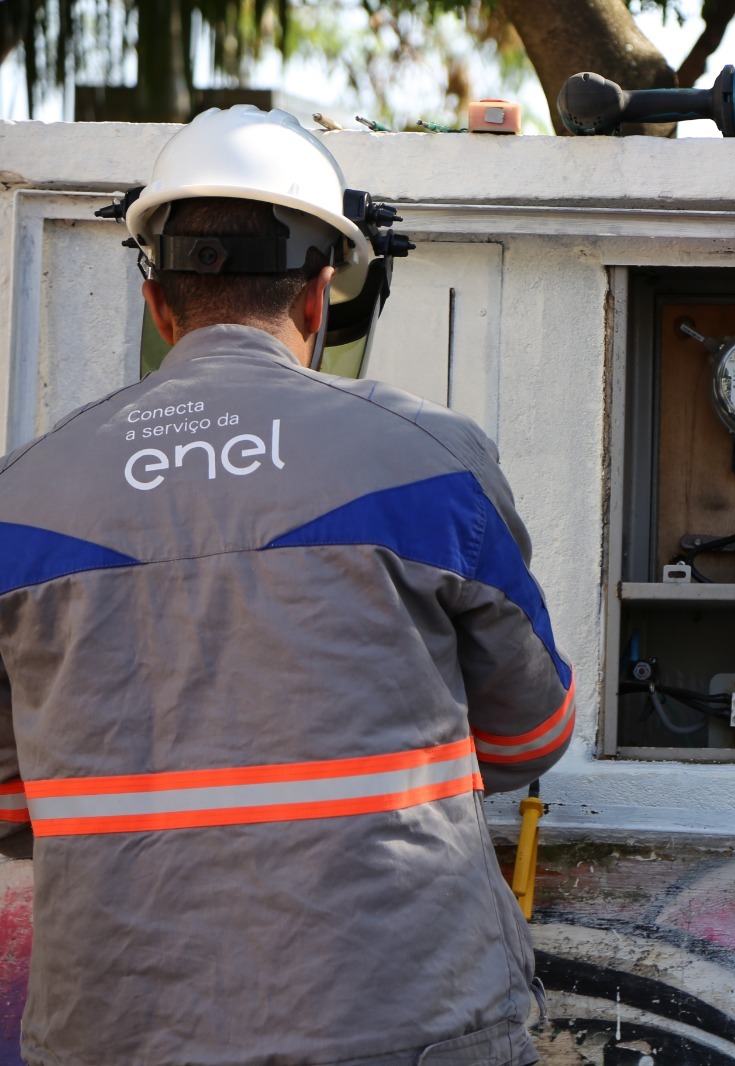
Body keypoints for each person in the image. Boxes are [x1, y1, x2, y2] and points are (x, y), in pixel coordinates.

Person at [0, 106, 573, 1065]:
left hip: (118, 1036)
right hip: (407, 1030)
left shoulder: (21, 501)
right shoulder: (431, 462)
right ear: (318, 296)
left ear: (159, 304)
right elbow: (532, 736)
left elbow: (13, 809)